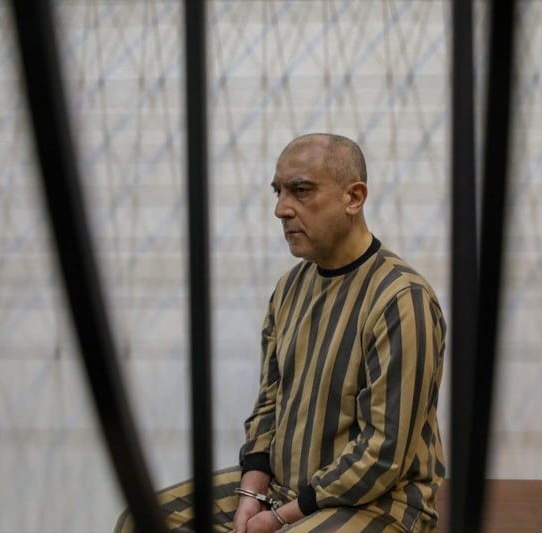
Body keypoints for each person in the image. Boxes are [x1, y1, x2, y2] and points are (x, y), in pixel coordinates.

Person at [115, 133, 446, 532]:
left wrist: (280, 518)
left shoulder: (401, 298)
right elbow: (269, 402)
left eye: (301, 191)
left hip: (381, 505)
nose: (281, 209)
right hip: (285, 489)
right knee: (141, 520)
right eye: (278, 192)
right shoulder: (290, 288)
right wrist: (250, 495)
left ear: (354, 197)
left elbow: (384, 453)